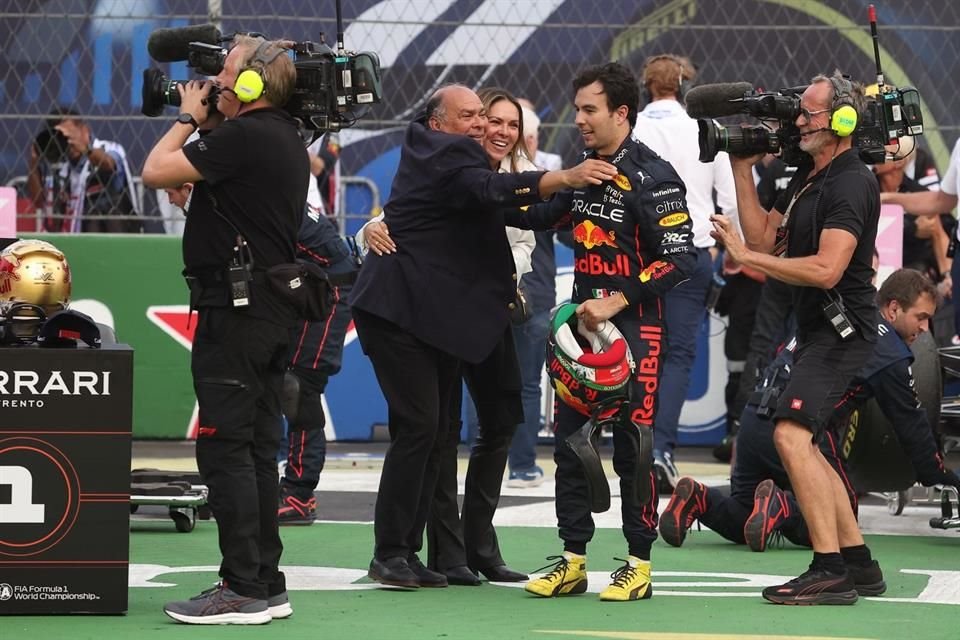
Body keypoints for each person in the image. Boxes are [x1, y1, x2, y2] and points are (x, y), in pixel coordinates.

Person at [349, 82, 617, 590]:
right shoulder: (443, 153)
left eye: (493, 119)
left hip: (450, 317)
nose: (483, 125)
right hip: (407, 312)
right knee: (425, 428)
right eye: (473, 116)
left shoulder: (484, 167)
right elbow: (492, 195)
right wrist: (566, 176)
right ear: (438, 122)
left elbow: (518, 210)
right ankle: (395, 552)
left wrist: (576, 191)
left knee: (458, 426)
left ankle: (438, 554)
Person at [507, 62, 697, 602]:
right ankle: (573, 560)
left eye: (590, 110)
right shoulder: (584, 170)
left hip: (638, 332)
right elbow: (543, 214)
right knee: (570, 444)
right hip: (579, 332)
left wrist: (617, 299)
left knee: (633, 450)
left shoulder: (654, 175)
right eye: (578, 110)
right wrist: (494, 183)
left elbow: (681, 259)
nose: (581, 120)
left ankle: (638, 563)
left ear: (621, 112)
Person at [142, 35, 308, 624]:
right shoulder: (284, 135)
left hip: (236, 315)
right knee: (258, 449)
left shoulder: (240, 136)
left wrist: (188, 117)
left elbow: (154, 169)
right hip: (266, 310)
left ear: (254, 85)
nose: (216, 84)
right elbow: (234, 209)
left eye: (229, 74)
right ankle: (265, 581)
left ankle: (240, 588)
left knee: (226, 449)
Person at [710, 71, 881, 605]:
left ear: (844, 121)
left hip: (841, 332)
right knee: (805, 444)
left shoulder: (851, 181)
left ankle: (828, 569)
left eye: (809, 113)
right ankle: (859, 564)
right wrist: (740, 169)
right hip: (818, 332)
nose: (797, 121)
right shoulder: (811, 176)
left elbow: (828, 269)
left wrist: (744, 257)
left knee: (788, 435)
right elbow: (766, 237)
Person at [357, 88, 538, 585]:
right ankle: (440, 553)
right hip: (437, 314)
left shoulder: (519, 181)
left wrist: (556, 191)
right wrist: (368, 227)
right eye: (484, 117)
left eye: (505, 123)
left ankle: (473, 546)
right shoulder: (444, 161)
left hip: (487, 313)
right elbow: (399, 220)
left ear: (523, 136)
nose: (493, 128)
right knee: (434, 429)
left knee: (494, 422)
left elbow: (525, 239)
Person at [660, 268, 960, 560]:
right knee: (841, 520)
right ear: (893, 308)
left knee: (745, 512)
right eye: (921, 318)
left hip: (754, 418)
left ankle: (699, 498)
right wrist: (940, 474)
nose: (924, 329)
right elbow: (910, 423)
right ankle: (783, 507)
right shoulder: (889, 351)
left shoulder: (833, 311)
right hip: (800, 429)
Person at [633, 54, 739, 491]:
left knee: (637, 347)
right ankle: (660, 450)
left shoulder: (632, 127)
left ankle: (632, 444)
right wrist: (729, 250)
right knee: (676, 354)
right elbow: (729, 200)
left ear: (647, 84)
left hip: (640, 250)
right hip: (691, 251)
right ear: (683, 84)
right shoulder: (703, 128)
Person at [277, 209, 358, 525]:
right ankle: (260, 483)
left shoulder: (270, 199)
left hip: (330, 290)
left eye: (175, 192)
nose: (171, 200)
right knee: (272, 381)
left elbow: (337, 257)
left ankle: (299, 494)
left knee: (299, 387)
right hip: (302, 289)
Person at [882, 138, 960, 337]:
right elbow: (941, 200)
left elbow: (935, 226)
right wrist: (888, 199)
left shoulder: (914, 186)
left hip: (913, 266)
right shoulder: (866, 186)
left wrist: (945, 273)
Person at [27, 108, 141, 233]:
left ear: (85, 130)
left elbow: (109, 164)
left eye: (70, 135)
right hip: (75, 237)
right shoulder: (60, 166)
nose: (68, 142)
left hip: (115, 231)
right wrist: (34, 162)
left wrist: (86, 149)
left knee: (99, 209)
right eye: (62, 137)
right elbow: (38, 202)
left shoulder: (107, 147)